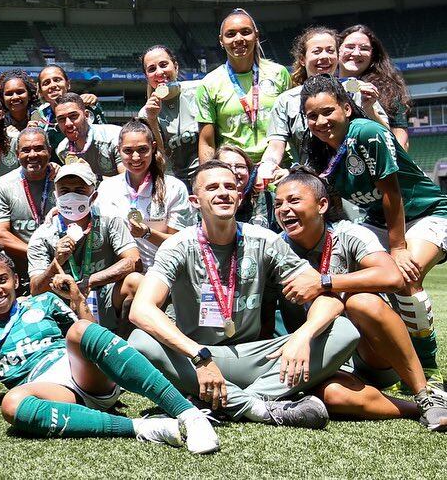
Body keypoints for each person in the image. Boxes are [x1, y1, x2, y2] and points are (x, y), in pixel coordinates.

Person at [128, 160, 360, 428]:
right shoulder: (177, 246)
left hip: (251, 357)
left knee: (343, 330)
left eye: (229, 186)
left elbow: (325, 298)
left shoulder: (265, 241)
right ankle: (258, 408)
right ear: (195, 200)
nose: (223, 192)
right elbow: (141, 309)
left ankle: (228, 403)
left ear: (239, 197)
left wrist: (303, 336)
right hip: (194, 359)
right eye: (212, 187)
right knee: (140, 341)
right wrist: (199, 355)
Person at [0, 239, 219, 453]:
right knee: (11, 404)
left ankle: (190, 415)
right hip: (49, 392)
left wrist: (77, 300)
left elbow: (90, 333)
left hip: (81, 372)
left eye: (2, 280)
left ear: (16, 280)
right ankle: (144, 427)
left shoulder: (41, 302)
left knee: (78, 330)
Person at [272, 169, 447, 430]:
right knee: (333, 396)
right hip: (318, 358)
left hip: (370, 354)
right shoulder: (275, 247)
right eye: (278, 204)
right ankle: (412, 410)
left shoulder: (348, 234)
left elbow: (392, 277)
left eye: (293, 201)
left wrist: (324, 282)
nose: (284, 209)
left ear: (322, 205)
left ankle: (425, 396)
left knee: (361, 301)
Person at [300, 74, 447, 385]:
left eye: (328, 111)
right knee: (350, 278)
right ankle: (376, 356)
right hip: (377, 219)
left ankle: (428, 366)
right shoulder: (318, 148)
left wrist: (398, 247)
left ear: (347, 109)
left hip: (426, 213)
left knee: (406, 274)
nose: (321, 121)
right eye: (312, 116)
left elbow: (392, 193)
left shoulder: (367, 132)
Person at [259, 27, 389, 188]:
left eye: (330, 51)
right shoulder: (286, 101)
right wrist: (267, 164)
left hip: (358, 186)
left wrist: (369, 108)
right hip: (311, 185)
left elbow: (387, 137)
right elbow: (275, 147)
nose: (324, 57)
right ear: (302, 59)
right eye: (317, 51)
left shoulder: (355, 88)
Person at [27, 162, 141, 333]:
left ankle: (124, 339)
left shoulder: (109, 219)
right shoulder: (43, 234)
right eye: (64, 191)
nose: (71, 196)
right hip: (63, 301)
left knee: (136, 282)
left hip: (103, 293)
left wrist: (90, 281)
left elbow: (134, 261)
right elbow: (35, 290)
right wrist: (56, 262)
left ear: (93, 196)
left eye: (79, 191)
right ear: (55, 195)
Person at [195, 8, 291, 164]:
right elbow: (207, 143)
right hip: (234, 170)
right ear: (221, 40)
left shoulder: (279, 74)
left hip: (278, 166)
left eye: (245, 32)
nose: (238, 39)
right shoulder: (209, 83)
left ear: (256, 35)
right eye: (231, 34)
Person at [96, 120, 190, 271]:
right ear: (118, 150)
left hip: (164, 271)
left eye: (142, 149)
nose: (135, 157)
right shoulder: (106, 188)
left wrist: (147, 234)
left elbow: (181, 244)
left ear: (153, 147)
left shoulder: (173, 187)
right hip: (121, 274)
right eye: (127, 151)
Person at [0, 127, 55, 278]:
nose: (33, 155)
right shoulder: (2, 186)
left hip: (63, 263)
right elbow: (0, 235)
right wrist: (37, 254)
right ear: (17, 154)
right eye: (26, 150)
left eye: (39, 149)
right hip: (21, 268)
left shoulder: (63, 181)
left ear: (49, 151)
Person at [338, 24, 411, 150]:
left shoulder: (389, 90)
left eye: (364, 48)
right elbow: (343, 85)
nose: (356, 53)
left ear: (373, 55)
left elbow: (401, 145)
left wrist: (370, 110)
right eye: (350, 47)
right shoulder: (324, 86)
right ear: (337, 50)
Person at [138, 46, 201, 187]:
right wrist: (152, 120)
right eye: (152, 69)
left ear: (176, 66)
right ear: (146, 77)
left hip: (207, 176)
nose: (159, 72)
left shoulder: (199, 91)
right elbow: (160, 155)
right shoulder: (145, 113)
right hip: (176, 183)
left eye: (163, 65)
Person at [33, 65, 106, 152]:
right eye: (46, 83)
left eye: (57, 80)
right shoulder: (39, 116)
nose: (52, 85)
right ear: (40, 91)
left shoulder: (87, 106)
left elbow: (105, 137)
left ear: (67, 84)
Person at [54, 93, 122, 178]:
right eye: (61, 119)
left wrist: (91, 177)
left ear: (86, 115)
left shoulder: (115, 137)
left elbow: (127, 181)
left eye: (73, 116)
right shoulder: (62, 150)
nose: (68, 123)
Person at [216, 144, 277, 232]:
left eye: (240, 166)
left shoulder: (269, 200)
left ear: (249, 172)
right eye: (226, 166)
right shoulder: (208, 201)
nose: (234, 171)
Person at [0, 69, 38, 133]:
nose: (15, 97)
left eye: (20, 92)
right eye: (9, 94)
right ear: (2, 98)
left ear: (29, 95)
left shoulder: (41, 118)